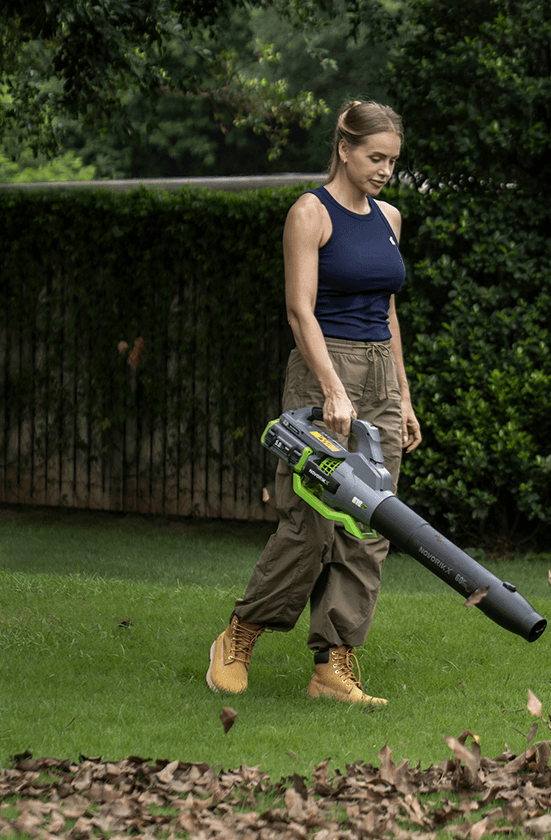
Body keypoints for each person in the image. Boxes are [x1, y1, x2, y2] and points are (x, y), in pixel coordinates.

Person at [206, 100, 421, 704]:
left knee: (371, 526)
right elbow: (300, 310)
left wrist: (403, 397)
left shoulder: (389, 217)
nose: (385, 170)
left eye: (393, 161)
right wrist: (331, 388)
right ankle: (241, 632)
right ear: (344, 150)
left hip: (379, 374)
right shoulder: (310, 213)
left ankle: (333, 665)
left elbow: (387, 311)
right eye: (375, 157)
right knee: (311, 524)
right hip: (323, 370)